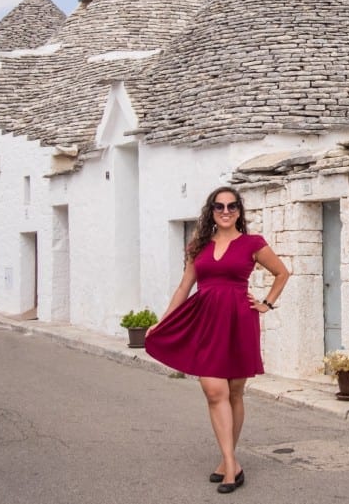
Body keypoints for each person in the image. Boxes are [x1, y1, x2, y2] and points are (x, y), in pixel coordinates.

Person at [145, 186, 290, 494]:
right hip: (206, 322)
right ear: (211, 211)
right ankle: (231, 464)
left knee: (235, 393)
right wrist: (162, 321)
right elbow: (185, 287)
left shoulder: (253, 243)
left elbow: (282, 273)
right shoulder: (197, 246)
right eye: (219, 206)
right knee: (214, 391)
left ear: (239, 210)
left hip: (240, 321)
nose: (226, 211)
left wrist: (267, 303)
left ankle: (227, 462)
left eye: (232, 206)